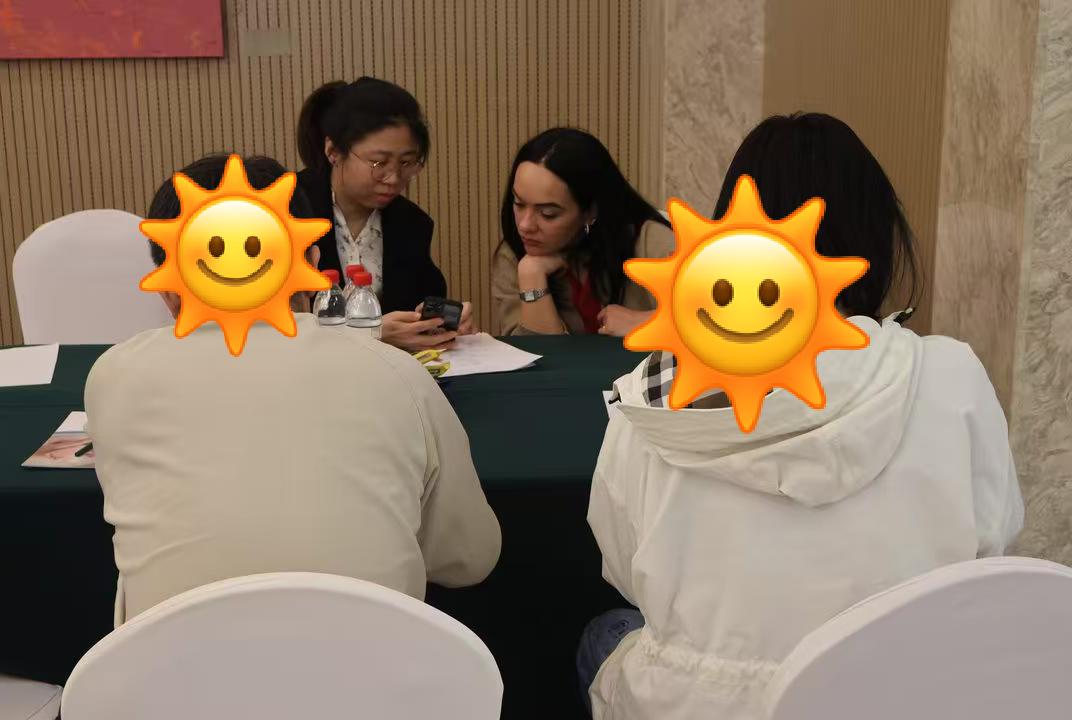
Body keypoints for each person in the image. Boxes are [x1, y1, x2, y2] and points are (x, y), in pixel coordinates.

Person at [580, 113, 1025, 720]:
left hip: (702, 708)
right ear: (876, 239)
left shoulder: (649, 393)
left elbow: (624, 569)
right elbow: (994, 544)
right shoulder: (951, 375)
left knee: (608, 631)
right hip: (901, 699)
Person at [88, 154, 501, 624]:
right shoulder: (395, 373)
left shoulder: (114, 376)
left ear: (166, 285)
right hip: (373, 665)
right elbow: (468, 559)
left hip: (168, 667)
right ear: (313, 261)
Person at [295, 77, 475, 351]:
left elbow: (419, 301)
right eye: (379, 163)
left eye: (406, 163)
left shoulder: (411, 223)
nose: (394, 178)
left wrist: (436, 321)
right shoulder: (285, 211)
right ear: (333, 151)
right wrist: (372, 333)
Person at [491, 128, 676, 336]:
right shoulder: (514, 257)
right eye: (518, 203)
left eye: (548, 213)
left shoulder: (649, 240)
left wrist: (645, 322)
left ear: (590, 212)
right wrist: (532, 276)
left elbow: (706, 318)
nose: (525, 225)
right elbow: (535, 354)